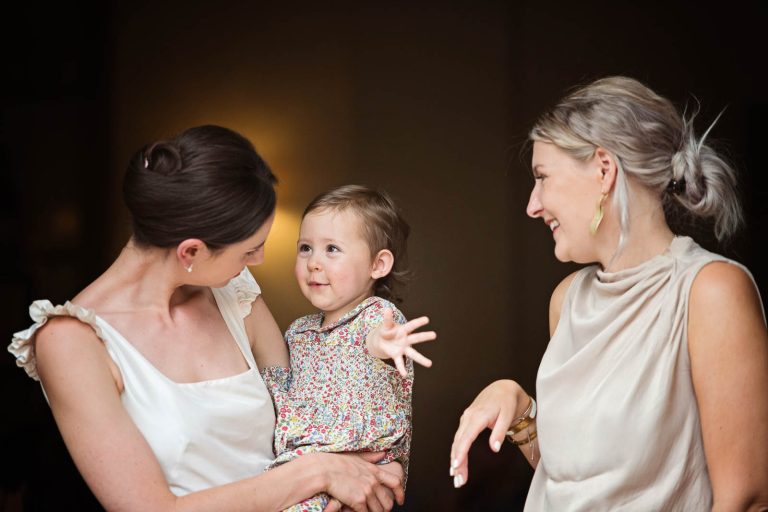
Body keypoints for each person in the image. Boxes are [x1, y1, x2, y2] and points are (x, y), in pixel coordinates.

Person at [8, 125, 408, 511]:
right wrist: (318, 472)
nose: (259, 261)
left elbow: (308, 406)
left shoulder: (235, 294)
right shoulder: (71, 342)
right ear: (191, 253)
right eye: (248, 251)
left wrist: (375, 463)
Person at [450, 76, 768, 510]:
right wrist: (521, 410)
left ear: (604, 170)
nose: (532, 205)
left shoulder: (709, 292)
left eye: (542, 177)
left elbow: (746, 500)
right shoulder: (566, 301)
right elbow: (584, 484)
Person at [260, 184, 436, 512]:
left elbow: (373, 340)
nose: (314, 262)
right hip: (298, 470)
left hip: (354, 472)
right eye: (305, 248)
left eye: (332, 249)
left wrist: (385, 342)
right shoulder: (299, 331)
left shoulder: (376, 317)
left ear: (378, 265)